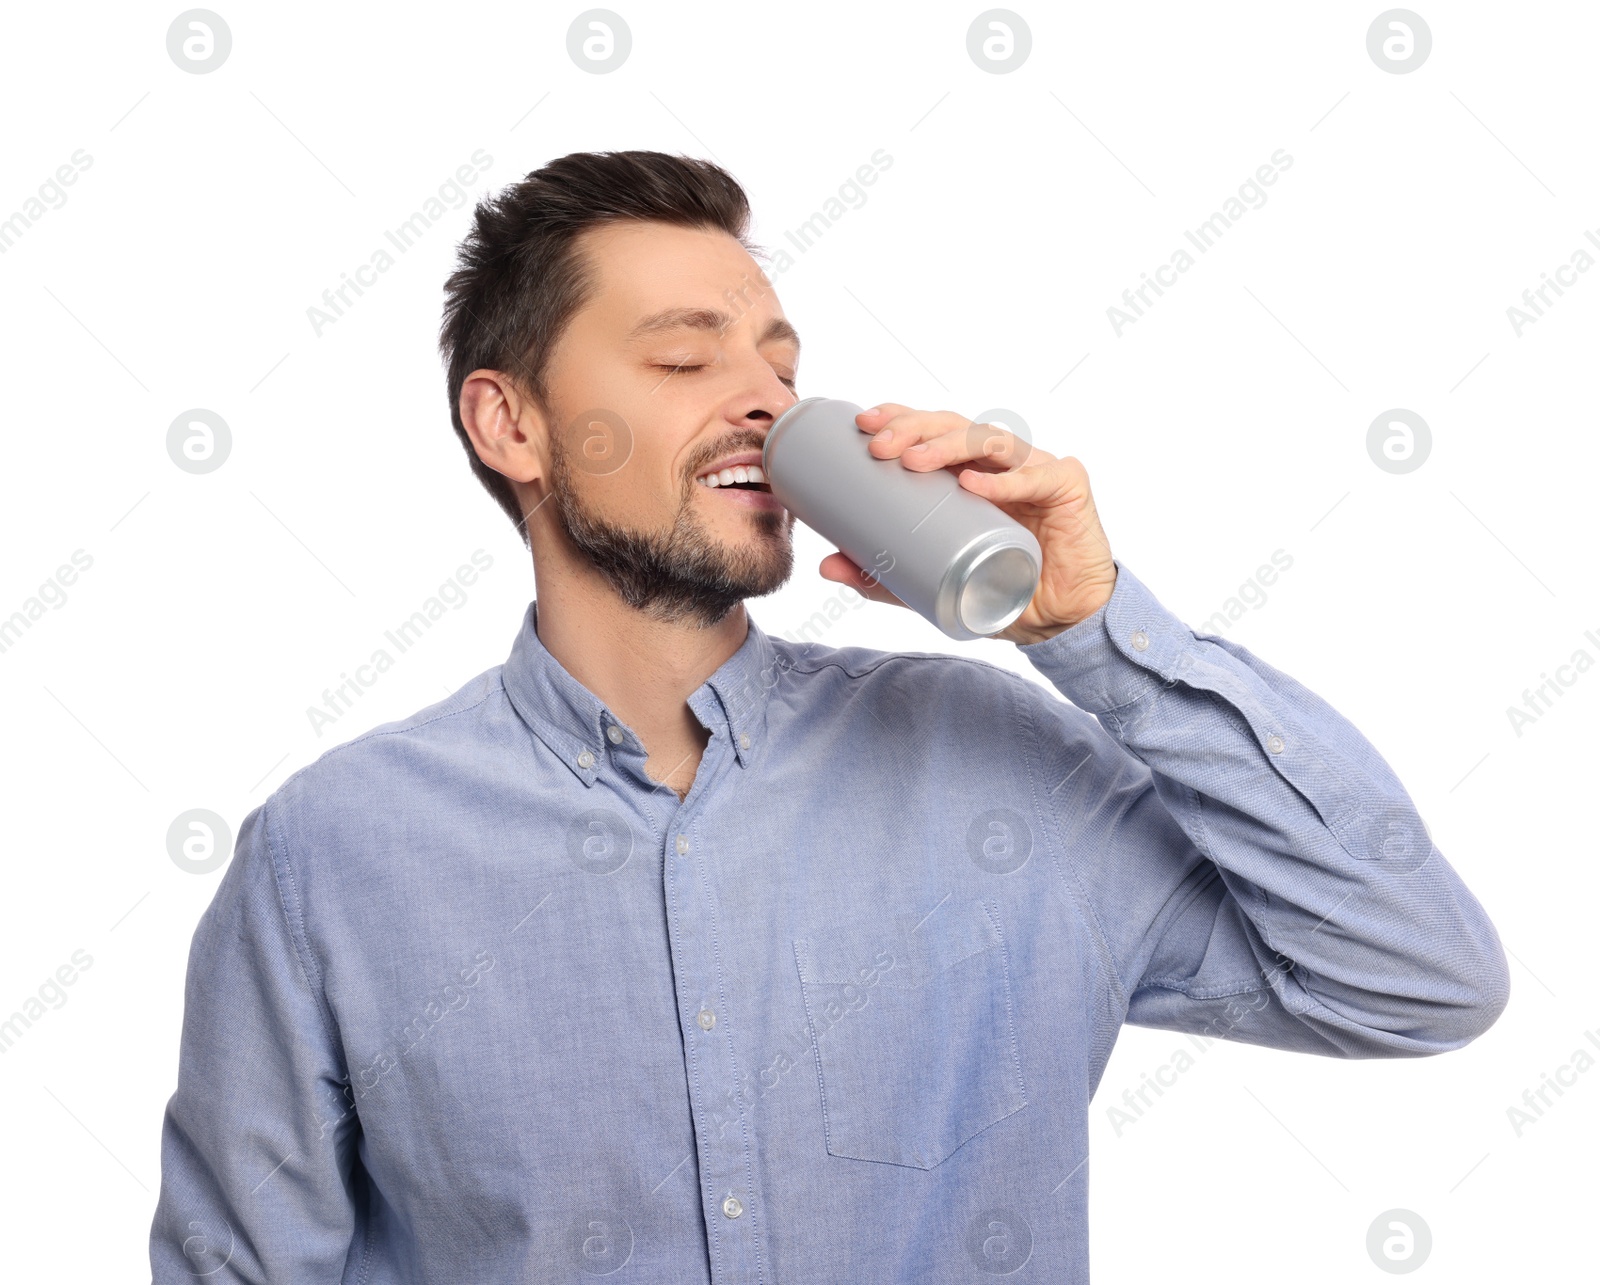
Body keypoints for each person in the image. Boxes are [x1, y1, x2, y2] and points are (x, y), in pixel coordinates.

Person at [150, 150, 1509, 1283]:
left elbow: (1416, 978)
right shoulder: (332, 854)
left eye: (780, 363)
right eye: (685, 356)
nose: (764, 398)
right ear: (512, 425)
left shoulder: (1002, 774)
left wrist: (1091, 628)